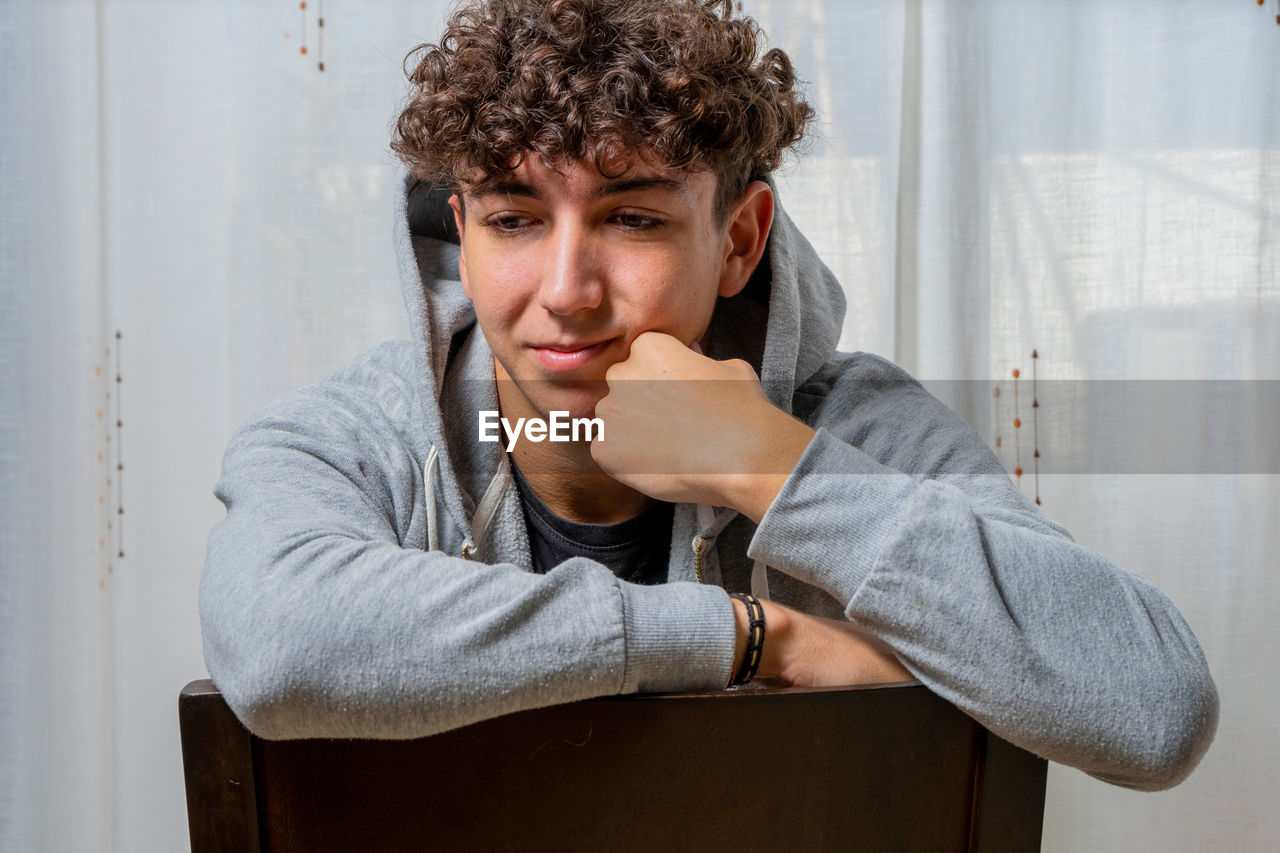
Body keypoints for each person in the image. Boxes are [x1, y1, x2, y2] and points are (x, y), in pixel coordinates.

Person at [200, 0, 1217, 791]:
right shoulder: (348, 439)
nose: (565, 290)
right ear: (457, 232)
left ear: (738, 239)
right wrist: (744, 638)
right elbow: (280, 643)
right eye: (513, 219)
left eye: (631, 218)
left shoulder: (850, 425)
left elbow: (1153, 706)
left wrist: (766, 463)